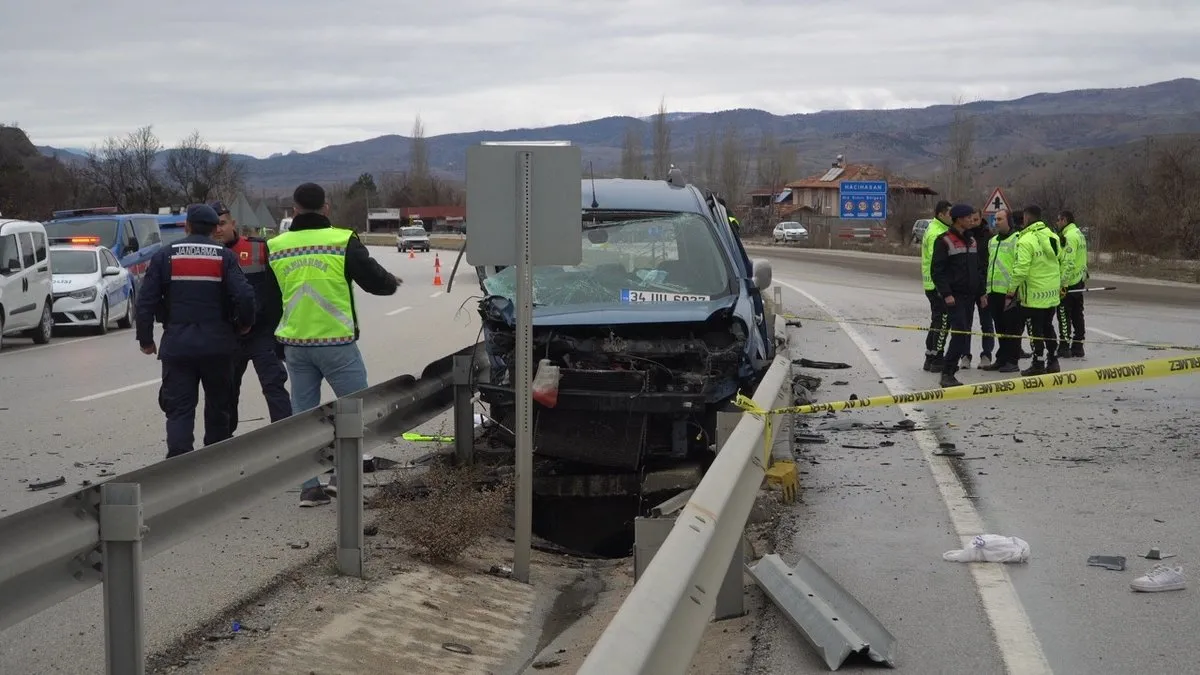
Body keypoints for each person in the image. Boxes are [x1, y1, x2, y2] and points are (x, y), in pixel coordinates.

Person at [269, 182, 401, 507]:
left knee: (303, 416)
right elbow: (376, 282)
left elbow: (270, 299)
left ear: (294, 208)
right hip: (336, 343)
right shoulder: (342, 240)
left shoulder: (276, 245)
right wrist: (390, 283)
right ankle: (342, 480)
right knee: (356, 409)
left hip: (295, 344)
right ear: (326, 207)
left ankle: (309, 489)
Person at [136, 204, 257, 458]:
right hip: (218, 347)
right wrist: (244, 324)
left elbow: (145, 301)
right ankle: (214, 466)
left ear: (187, 226)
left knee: (179, 410)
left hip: (178, 346)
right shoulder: (224, 257)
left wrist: (146, 339)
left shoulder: (165, 256)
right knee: (218, 409)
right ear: (215, 229)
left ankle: (180, 467)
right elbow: (245, 295)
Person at [211, 200, 292, 432]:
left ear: (233, 223)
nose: (218, 229)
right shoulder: (208, 254)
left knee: (274, 386)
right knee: (226, 392)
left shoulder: (259, 248)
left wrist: (278, 334)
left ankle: (286, 439)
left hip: (261, 334)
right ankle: (226, 444)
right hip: (228, 336)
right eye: (213, 225)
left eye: (222, 224)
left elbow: (277, 292)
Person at [930, 204, 988, 387]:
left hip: (970, 296)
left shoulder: (971, 241)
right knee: (960, 334)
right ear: (958, 219)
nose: (972, 220)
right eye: (968, 217)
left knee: (963, 333)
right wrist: (946, 294)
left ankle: (949, 372)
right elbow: (937, 271)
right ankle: (947, 372)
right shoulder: (944, 241)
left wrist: (981, 293)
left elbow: (977, 270)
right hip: (954, 297)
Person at [1007, 205, 1062, 376]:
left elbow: (1021, 269)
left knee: (1034, 330)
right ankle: (1053, 360)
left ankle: (1037, 363)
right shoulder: (1052, 236)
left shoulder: (1025, 240)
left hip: (1033, 295)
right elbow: (1059, 260)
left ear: (1026, 218)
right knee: (1048, 327)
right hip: (1051, 294)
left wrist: (1011, 291)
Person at [980, 209, 1023, 373]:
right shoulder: (992, 241)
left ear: (1008, 221)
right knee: (1000, 328)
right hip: (994, 292)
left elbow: (1020, 266)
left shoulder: (1017, 239)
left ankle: (1013, 360)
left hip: (1010, 292)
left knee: (1012, 328)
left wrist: (1014, 290)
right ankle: (1002, 358)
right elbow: (989, 267)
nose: (996, 222)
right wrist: (985, 290)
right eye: (995, 219)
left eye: (1000, 219)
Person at [921, 200, 953, 372]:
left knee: (937, 320)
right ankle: (937, 358)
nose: (952, 217)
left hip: (931, 283)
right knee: (943, 321)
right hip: (937, 285)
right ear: (941, 214)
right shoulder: (936, 233)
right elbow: (938, 262)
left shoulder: (937, 228)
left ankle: (930, 356)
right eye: (950, 214)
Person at [963, 209, 996, 369]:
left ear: (981, 218)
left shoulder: (989, 238)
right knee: (965, 323)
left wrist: (984, 290)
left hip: (983, 288)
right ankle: (965, 355)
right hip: (967, 288)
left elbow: (987, 266)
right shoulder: (964, 236)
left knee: (987, 323)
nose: (972, 222)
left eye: (975, 219)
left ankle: (986, 355)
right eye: (970, 219)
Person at [1055, 210, 1088, 358]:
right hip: (1079, 280)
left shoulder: (1069, 236)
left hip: (1069, 283)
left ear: (1064, 220)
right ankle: (1078, 345)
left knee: (1063, 313)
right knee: (1077, 313)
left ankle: (1064, 346)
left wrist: (1063, 284)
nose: (1057, 223)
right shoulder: (1079, 234)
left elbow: (1068, 262)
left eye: (1058, 220)